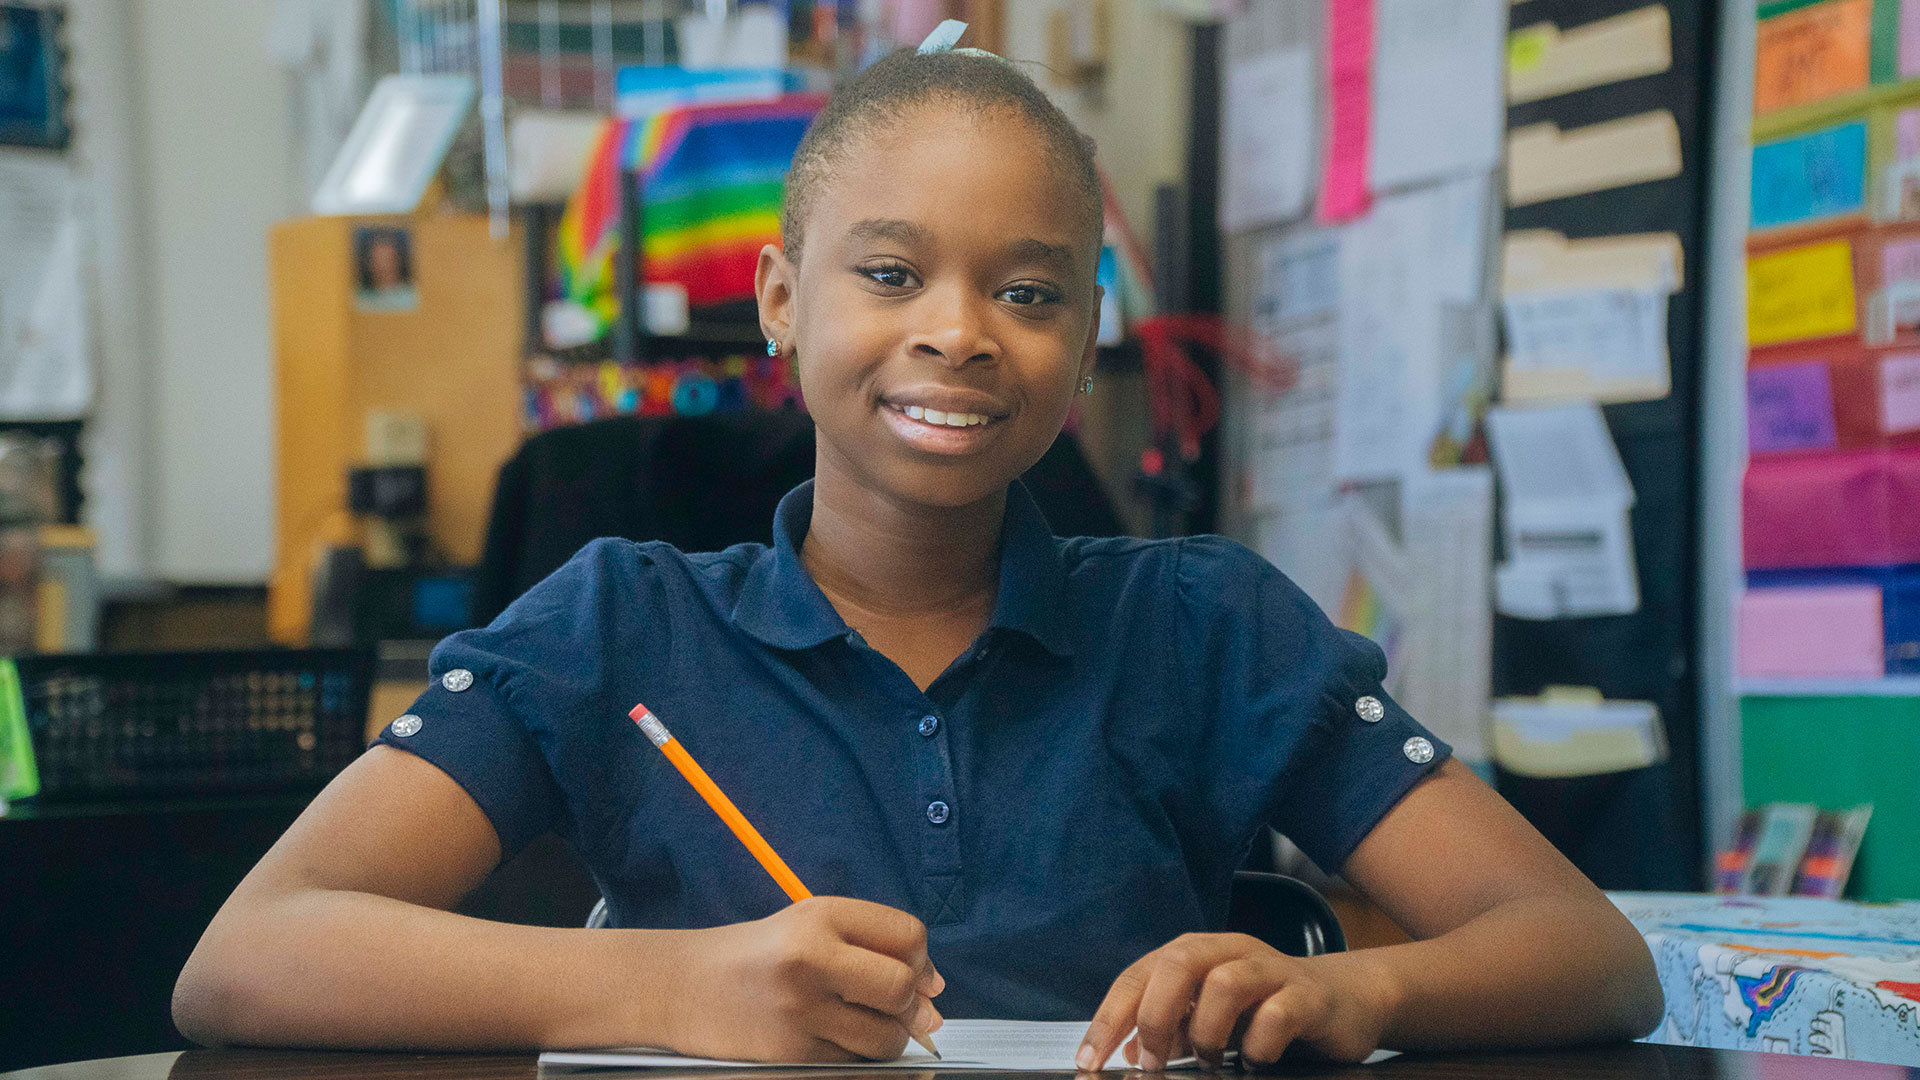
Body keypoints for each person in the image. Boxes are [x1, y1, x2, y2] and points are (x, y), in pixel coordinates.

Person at [173, 33, 1662, 1068]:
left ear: (1085, 343)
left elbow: (1587, 953)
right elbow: (247, 957)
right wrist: (676, 987)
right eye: (890, 273)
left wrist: (1355, 992)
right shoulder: (623, 625)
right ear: (778, 299)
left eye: (1030, 292)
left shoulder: (1208, 625)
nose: (957, 330)